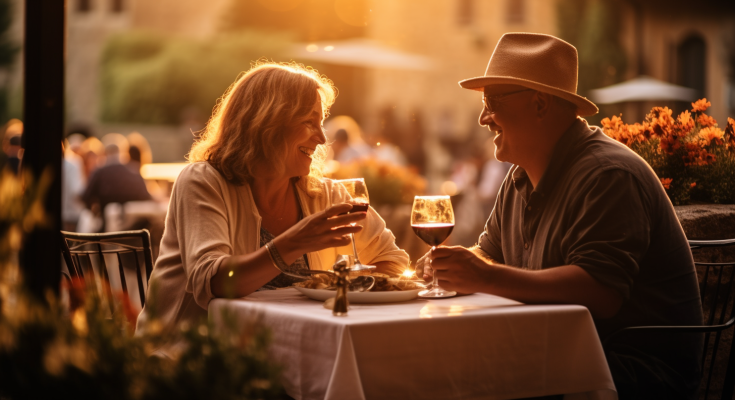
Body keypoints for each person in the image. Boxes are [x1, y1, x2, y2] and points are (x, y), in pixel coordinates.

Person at [419, 33, 703, 399]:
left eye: (492, 101)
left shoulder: (608, 174)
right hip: (558, 353)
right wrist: (450, 266)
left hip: (631, 373)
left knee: (457, 377)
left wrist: (484, 276)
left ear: (539, 105)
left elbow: (599, 292)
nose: (482, 117)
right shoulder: (520, 175)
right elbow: (489, 255)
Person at [136, 62, 409, 356]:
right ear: (267, 124)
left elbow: (393, 261)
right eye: (308, 122)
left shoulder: (325, 194)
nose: (321, 138)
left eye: (321, 123)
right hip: (191, 362)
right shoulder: (203, 181)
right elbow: (214, 281)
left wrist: (349, 288)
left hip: (288, 353)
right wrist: (293, 243)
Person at [82, 143, 153, 231]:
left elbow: (86, 197)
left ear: (104, 154)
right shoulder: (133, 171)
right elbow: (146, 197)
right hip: (134, 229)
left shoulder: (99, 172)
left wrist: (95, 212)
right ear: (122, 154)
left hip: (106, 228)